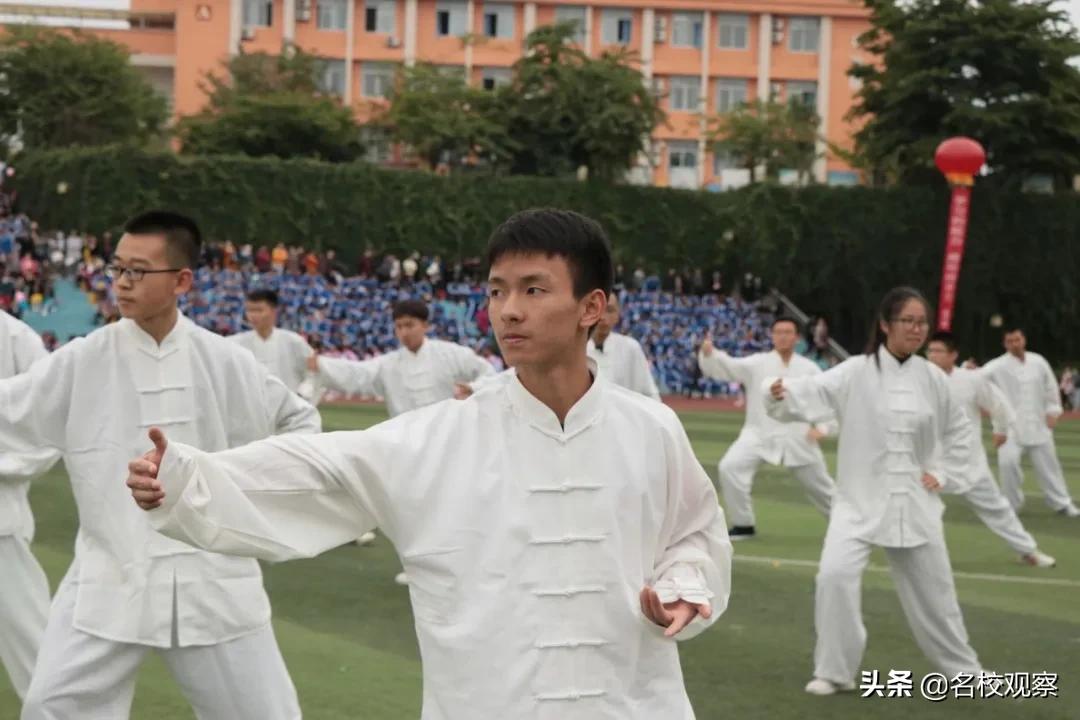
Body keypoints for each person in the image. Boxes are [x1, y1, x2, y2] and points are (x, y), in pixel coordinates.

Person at [127, 208, 732, 719]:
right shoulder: (438, 437)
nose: (508, 310)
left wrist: (684, 590)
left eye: (534, 289)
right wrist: (185, 479)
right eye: (497, 291)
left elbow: (693, 538)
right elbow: (321, 467)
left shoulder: (651, 430)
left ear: (591, 306)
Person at [0, 211, 320, 719]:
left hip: (214, 578)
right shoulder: (82, 360)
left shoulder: (227, 362)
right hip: (112, 572)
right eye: (117, 268)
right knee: (51, 707)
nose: (122, 283)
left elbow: (302, 429)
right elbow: (7, 409)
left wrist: (234, 488)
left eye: (138, 271)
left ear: (182, 280)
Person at [766, 287, 988, 696]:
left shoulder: (933, 379)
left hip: (916, 504)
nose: (917, 329)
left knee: (937, 594)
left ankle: (963, 672)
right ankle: (835, 670)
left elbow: (960, 432)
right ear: (885, 325)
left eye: (922, 322)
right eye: (908, 321)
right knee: (834, 576)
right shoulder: (855, 372)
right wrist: (781, 393)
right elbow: (813, 393)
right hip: (858, 502)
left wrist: (945, 473)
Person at [698, 317, 836, 540]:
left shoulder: (809, 368)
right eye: (778, 332)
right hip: (758, 433)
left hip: (798, 436)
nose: (783, 336)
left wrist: (823, 427)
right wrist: (709, 354)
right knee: (730, 467)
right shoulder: (757, 364)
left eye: (788, 332)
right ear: (772, 336)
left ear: (797, 337)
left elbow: (826, 398)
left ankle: (842, 527)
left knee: (822, 487)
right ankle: (743, 524)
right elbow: (729, 366)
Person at [925, 332, 1055, 567]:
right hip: (931, 464)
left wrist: (1001, 430)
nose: (932, 356)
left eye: (938, 351)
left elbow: (998, 404)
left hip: (970, 462)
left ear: (953, 355)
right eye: (929, 351)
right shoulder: (918, 380)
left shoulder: (971, 380)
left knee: (998, 508)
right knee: (905, 504)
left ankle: (1028, 552)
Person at [306, 299, 495, 419]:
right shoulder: (389, 364)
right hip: (405, 442)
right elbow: (359, 374)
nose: (404, 332)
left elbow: (488, 373)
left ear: (425, 325)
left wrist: (474, 389)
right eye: (399, 327)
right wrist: (322, 365)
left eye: (409, 325)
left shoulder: (451, 354)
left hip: (447, 440)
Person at [0, 311, 56, 701]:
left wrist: (3, 466)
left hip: (1, 528)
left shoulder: (17, 340)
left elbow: (51, 431)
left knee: (41, 661)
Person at [982, 327, 1080, 517]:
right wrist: (964, 371)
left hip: (1039, 425)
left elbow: (1051, 388)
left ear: (1024, 340)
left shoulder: (1038, 361)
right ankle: (1012, 504)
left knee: (1050, 467)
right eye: (1010, 341)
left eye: (1017, 340)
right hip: (1011, 428)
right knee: (1007, 464)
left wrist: (1053, 411)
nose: (1014, 344)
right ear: (1004, 344)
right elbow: (976, 378)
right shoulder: (996, 366)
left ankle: (1062, 503)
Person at [229, 289, 314, 395]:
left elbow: (312, 373)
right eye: (250, 310)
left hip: (288, 405)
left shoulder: (294, 341)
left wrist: (303, 393)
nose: (253, 315)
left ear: (274, 311)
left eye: (259, 310)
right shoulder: (235, 343)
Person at [587, 292, 660, 400]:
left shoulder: (630, 348)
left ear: (618, 315)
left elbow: (649, 393)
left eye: (609, 310)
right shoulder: (574, 350)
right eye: (597, 309)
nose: (602, 317)